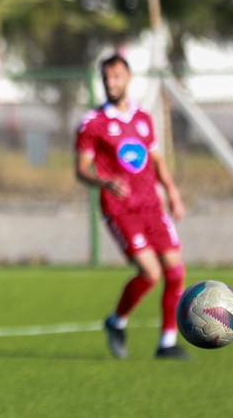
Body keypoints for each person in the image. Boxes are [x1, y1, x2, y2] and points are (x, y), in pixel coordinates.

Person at [75, 54, 188, 360]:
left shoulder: (143, 119)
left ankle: (167, 343)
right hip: (120, 208)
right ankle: (117, 321)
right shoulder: (93, 124)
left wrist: (173, 193)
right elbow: (81, 169)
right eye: (106, 78)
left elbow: (156, 159)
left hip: (152, 205)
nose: (111, 84)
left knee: (175, 270)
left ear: (128, 78)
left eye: (116, 77)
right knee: (150, 273)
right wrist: (105, 182)